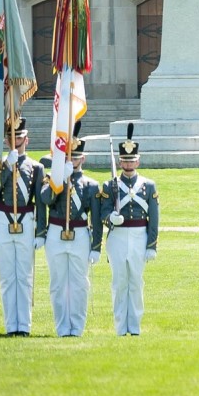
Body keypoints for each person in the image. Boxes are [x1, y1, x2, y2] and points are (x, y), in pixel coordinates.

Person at [0, 118, 47, 336]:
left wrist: (41, 231)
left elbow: (40, 202)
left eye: (19, 137)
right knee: (7, 276)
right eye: (12, 137)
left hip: (26, 219)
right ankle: (11, 325)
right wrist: (6, 167)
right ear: (6, 141)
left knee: (25, 276)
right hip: (3, 218)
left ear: (26, 140)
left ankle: (25, 325)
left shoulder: (37, 168)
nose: (16, 140)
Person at [41, 125, 102, 337]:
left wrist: (96, 247)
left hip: (80, 234)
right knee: (58, 284)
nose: (73, 160)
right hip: (56, 232)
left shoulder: (91, 185)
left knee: (79, 284)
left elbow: (96, 219)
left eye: (76, 157)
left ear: (82, 159)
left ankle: (77, 327)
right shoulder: (53, 178)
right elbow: (46, 199)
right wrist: (59, 179)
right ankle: (62, 327)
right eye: (70, 156)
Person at [100, 124, 159, 336]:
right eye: (125, 160)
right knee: (119, 283)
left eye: (131, 160)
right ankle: (120, 327)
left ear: (138, 161)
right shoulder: (110, 185)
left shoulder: (148, 186)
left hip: (139, 236)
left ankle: (134, 327)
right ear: (119, 162)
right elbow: (102, 213)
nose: (128, 164)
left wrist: (152, 245)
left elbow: (154, 218)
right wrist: (110, 218)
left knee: (135, 282)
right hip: (117, 237)